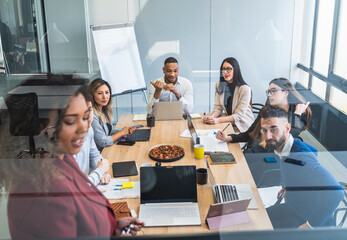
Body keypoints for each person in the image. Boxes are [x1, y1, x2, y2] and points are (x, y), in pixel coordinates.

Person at [2, 78, 144, 238]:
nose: (84, 127)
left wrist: (112, 227)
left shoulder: (62, 160)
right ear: (41, 127)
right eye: (70, 120)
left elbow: (83, 219)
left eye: (85, 117)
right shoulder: (44, 192)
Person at [260, 106, 343, 228]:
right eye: (264, 130)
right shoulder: (286, 146)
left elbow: (336, 193)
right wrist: (290, 185)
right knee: (258, 219)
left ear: (288, 128)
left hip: (306, 219)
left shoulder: (301, 157)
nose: (268, 136)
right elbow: (313, 151)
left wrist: (310, 225)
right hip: (293, 208)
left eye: (274, 129)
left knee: (259, 230)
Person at [216, 78, 312, 152]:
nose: (269, 95)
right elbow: (250, 134)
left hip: (269, 159)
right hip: (254, 151)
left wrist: (297, 114)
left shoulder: (299, 114)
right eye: (269, 92)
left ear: (286, 92)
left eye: (273, 91)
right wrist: (228, 138)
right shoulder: (268, 111)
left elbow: (286, 138)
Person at [203, 57, 254, 133]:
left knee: (222, 141)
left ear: (235, 70)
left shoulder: (245, 89)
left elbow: (238, 115)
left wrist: (217, 120)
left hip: (243, 127)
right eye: (223, 69)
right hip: (229, 124)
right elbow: (218, 108)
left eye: (228, 69)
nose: (225, 72)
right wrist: (211, 117)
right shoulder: (219, 86)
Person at [88, 78, 136, 151]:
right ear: (92, 95)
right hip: (99, 154)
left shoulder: (104, 110)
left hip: (106, 150)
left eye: (107, 92)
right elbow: (103, 141)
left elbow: (107, 132)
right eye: (99, 93)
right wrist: (121, 133)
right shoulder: (91, 115)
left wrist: (125, 131)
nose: (104, 97)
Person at [73, 99, 111, 186]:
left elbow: (94, 155)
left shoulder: (88, 129)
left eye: (89, 109)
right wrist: (100, 171)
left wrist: (103, 173)